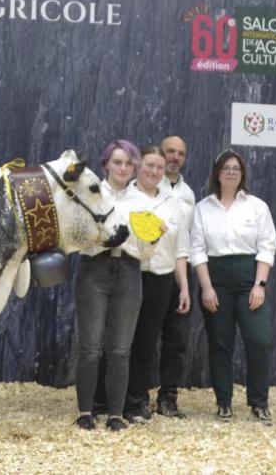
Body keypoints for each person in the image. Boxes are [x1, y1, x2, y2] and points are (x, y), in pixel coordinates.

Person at [73, 139, 155, 432]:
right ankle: (85, 412)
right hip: (94, 268)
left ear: (135, 168)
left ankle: (116, 415)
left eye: (129, 163)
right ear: (106, 164)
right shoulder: (90, 194)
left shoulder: (143, 202)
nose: (123, 167)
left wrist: (153, 239)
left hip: (129, 271)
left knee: (120, 348)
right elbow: (79, 236)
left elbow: (145, 252)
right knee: (90, 346)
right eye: (117, 162)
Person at [190, 149, 276, 424]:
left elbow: (266, 247)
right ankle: (223, 401)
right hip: (215, 281)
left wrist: (259, 285)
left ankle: (259, 402)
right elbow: (197, 250)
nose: (231, 172)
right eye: (226, 167)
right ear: (217, 172)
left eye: (236, 168)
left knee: (258, 341)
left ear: (242, 174)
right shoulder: (203, 208)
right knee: (220, 344)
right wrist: (206, 288)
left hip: (249, 280)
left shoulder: (257, 206)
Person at [122, 146, 192, 424]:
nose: (154, 171)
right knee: (121, 342)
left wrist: (184, 287)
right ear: (138, 166)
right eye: (149, 165)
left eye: (159, 168)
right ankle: (112, 400)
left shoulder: (173, 204)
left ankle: (137, 402)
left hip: (161, 280)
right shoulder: (125, 197)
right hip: (130, 274)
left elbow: (181, 250)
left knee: (147, 343)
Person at [152, 135, 196, 418]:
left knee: (176, 340)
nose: (174, 157)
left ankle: (168, 398)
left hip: (179, 272)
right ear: (160, 152)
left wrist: (185, 285)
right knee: (142, 338)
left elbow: (186, 239)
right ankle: (136, 397)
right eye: (170, 151)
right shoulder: (143, 187)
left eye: (180, 153)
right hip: (149, 272)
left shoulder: (189, 194)